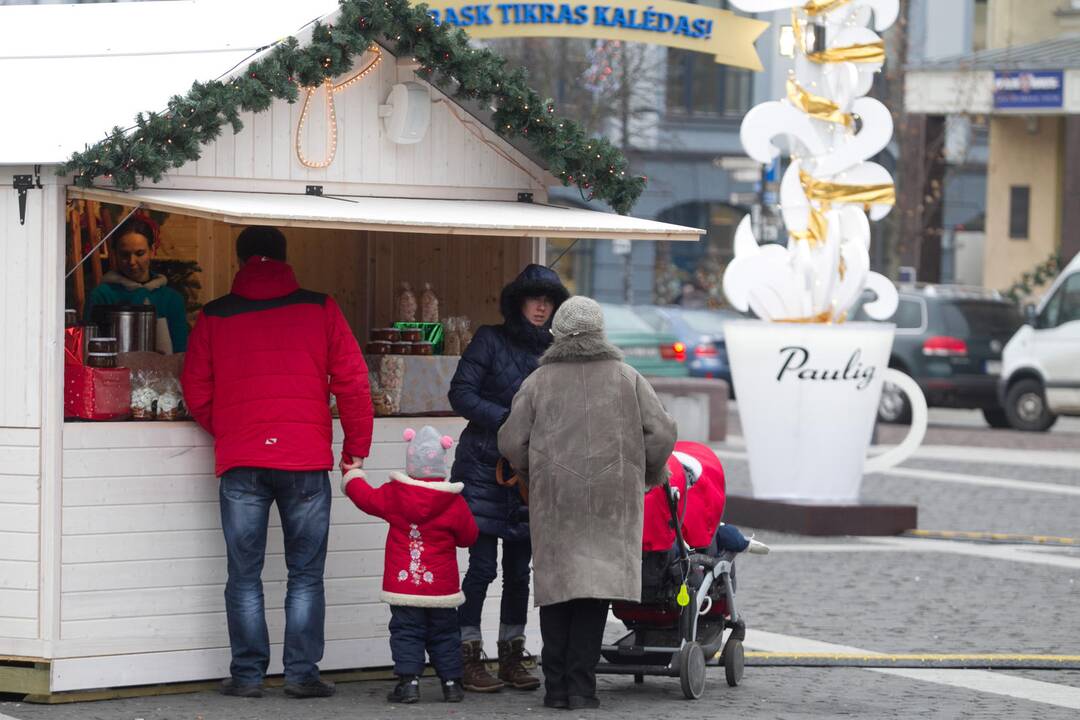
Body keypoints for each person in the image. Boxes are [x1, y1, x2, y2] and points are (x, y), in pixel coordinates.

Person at [181, 226, 373, 699]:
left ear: (240, 259)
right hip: (304, 461)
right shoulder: (320, 307)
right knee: (305, 574)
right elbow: (353, 382)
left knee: (243, 574)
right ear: (286, 258)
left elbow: (195, 389)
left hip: (242, 460)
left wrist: (230, 431)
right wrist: (356, 447)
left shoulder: (214, 314)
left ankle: (247, 676)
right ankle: (302, 675)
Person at [498, 296, 677, 710]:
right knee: (594, 593)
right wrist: (646, 472)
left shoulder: (538, 381)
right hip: (612, 502)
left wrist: (533, 472)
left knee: (558, 590)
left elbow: (510, 441)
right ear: (600, 332)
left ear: (557, 332)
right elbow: (663, 433)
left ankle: (556, 688)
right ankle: (583, 688)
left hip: (556, 500)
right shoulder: (627, 377)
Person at [447, 263, 569, 693]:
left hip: (528, 476)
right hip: (482, 470)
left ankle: (512, 653)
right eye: (535, 299)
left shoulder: (558, 353)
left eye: (549, 301)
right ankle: (466, 654)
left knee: (519, 573)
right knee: (480, 569)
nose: (542, 307)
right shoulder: (489, 339)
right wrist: (510, 422)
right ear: (518, 302)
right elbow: (460, 393)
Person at [342, 426, 480, 705]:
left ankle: (409, 684)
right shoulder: (453, 502)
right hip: (441, 587)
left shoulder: (396, 495)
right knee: (444, 633)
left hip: (404, 584)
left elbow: (365, 497)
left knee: (407, 631)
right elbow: (469, 537)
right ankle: (451, 684)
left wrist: (352, 473)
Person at [85, 216, 189, 352]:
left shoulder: (172, 299)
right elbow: (91, 349)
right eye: (124, 255)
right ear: (115, 253)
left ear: (152, 251)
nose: (132, 261)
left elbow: (180, 352)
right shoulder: (101, 295)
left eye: (139, 253)